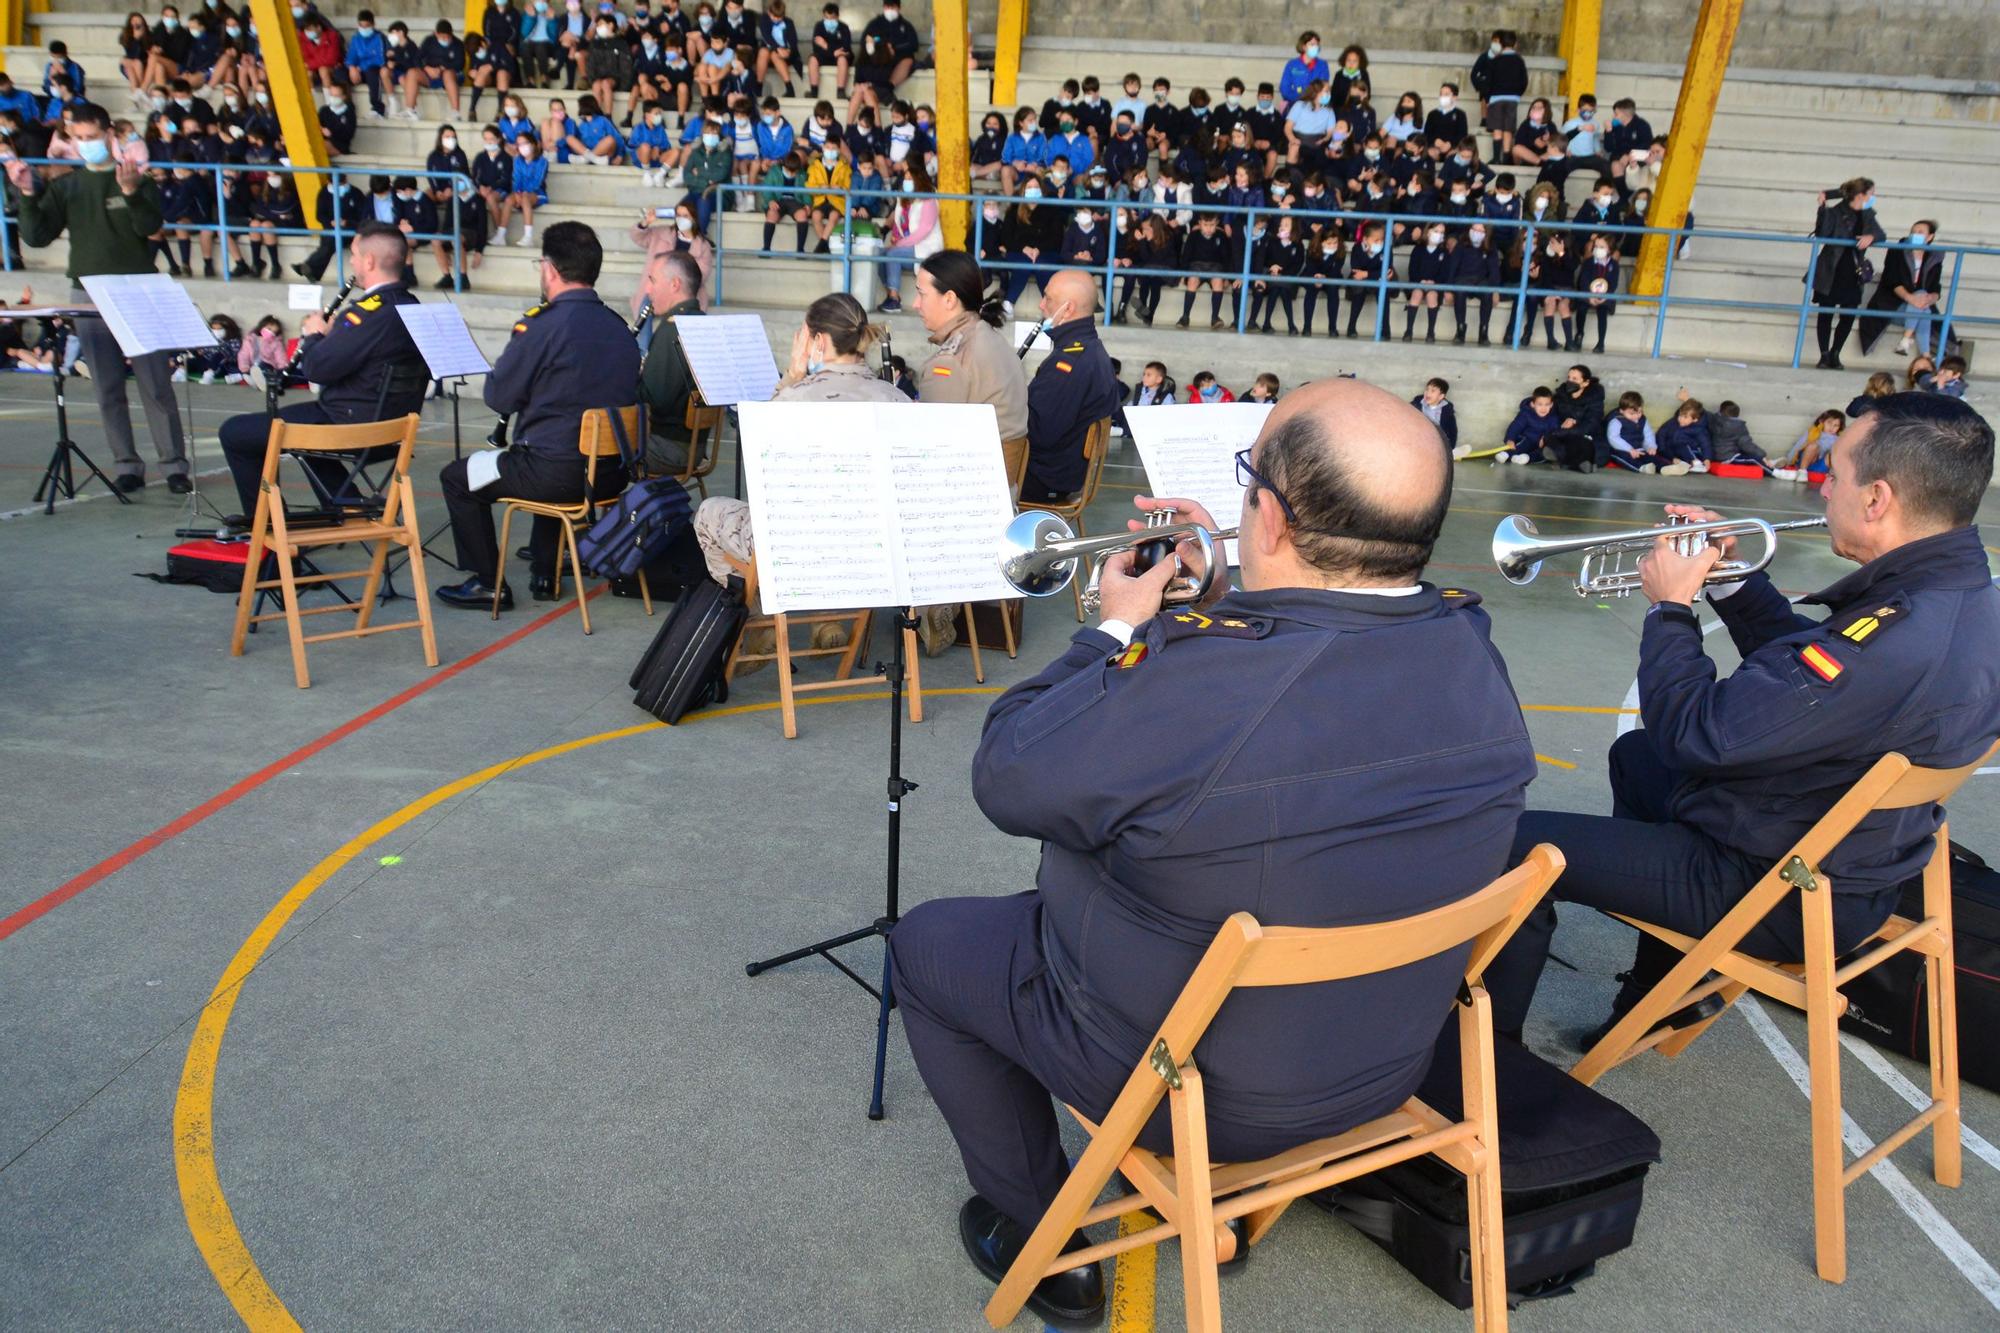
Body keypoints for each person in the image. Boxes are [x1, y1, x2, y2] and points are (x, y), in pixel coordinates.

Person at [890, 378, 1538, 1325]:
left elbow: (1010, 774)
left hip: (1191, 1093)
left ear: (1268, 516)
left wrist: (1113, 626)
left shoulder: (1199, 686)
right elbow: (1319, 685)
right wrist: (1236, 596)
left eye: (1249, 485)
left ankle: (1050, 1245)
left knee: (931, 946)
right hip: (1385, 1061)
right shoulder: (1472, 651)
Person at [1485, 394, 2000, 1046]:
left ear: (1877, 499)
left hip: (1777, 882)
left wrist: (1671, 605)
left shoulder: (1895, 638)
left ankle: (1492, 1074)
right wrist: (1730, 579)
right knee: (1637, 758)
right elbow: (1814, 681)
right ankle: (1661, 995)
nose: (1822, 489)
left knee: (1508, 848)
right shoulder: (1954, 596)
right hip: (1852, 854)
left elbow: (1700, 735)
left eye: (1833, 475)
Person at [437, 222, 641, 608]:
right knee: (552, 452)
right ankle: (544, 572)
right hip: (609, 475)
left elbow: (499, 396)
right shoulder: (619, 329)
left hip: (555, 475)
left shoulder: (541, 325)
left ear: (548, 268)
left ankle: (486, 582)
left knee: (457, 478)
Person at [6, 101, 189, 493]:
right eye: (79, 138)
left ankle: (174, 464)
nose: (86, 144)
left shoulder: (138, 179)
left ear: (109, 135)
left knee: (155, 382)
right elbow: (37, 236)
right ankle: (127, 464)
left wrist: (130, 192)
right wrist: (25, 194)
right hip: (88, 292)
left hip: (137, 288)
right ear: (71, 139)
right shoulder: (67, 186)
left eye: (93, 137)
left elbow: (151, 227)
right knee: (106, 385)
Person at [217, 222, 427, 523]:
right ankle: (347, 505)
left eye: (354, 255)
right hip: (395, 430)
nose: (352, 261)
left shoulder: (366, 314)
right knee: (307, 430)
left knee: (235, 432)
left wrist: (315, 334)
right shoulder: (412, 305)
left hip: (354, 428)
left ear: (369, 261)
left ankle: (265, 525)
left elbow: (318, 369)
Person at [692, 292, 902, 589]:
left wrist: (792, 374)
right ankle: (827, 620)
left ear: (818, 342)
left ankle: (755, 615)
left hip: (796, 550)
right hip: (870, 551)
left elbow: (760, 471)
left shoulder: (794, 399)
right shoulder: (896, 398)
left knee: (708, 512)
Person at [1019, 269, 1118, 505]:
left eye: (1048, 299)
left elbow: (1038, 432)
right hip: (1061, 473)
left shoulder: (1068, 364)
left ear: (1068, 308)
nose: (1042, 305)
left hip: (1044, 480)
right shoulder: (1091, 349)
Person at [912, 248, 1027, 436]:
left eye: (922, 294)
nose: (915, 304)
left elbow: (932, 437)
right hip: (1004, 461)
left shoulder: (949, 361)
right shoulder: (994, 337)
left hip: (974, 461)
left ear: (949, 299)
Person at [1811, 178, 1883, 370]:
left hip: (1854, 270)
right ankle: (1824, 354)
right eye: (1871, 194)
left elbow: (1880, 234)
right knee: (1826, 311)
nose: (1873, 197)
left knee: (1848, 313)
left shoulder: (1867, 215)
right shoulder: (1835, 212)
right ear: (1860, 195)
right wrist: (1822, 208)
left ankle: (1836, 352)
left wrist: (1871, 236)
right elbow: (1822, 233)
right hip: (1831, 269)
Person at [1858, 220, 1944, 358]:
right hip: (1892, 305)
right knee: (1923, 308)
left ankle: (1907, 342)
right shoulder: (1897, 251)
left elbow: (1935, 287)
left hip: (1917, 308)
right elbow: (1892, 281)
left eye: (1920, 232)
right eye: (1913, 231)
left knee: (1923, 302)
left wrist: (1931, 298)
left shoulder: (1935, 257)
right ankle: (1924, 355)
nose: (1915, 234)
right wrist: (1911, 299)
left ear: (1930, 237)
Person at [1412, 375, 1456, 451]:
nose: (1428, 393)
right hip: (1418, 438)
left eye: (1433, 391)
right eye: (1427, 389)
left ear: (1441, 396)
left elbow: (1453, 432)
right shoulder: (1417, 404)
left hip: (1436, 442)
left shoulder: (1447, 412)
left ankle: (1449, 453)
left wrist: (1450, 448)